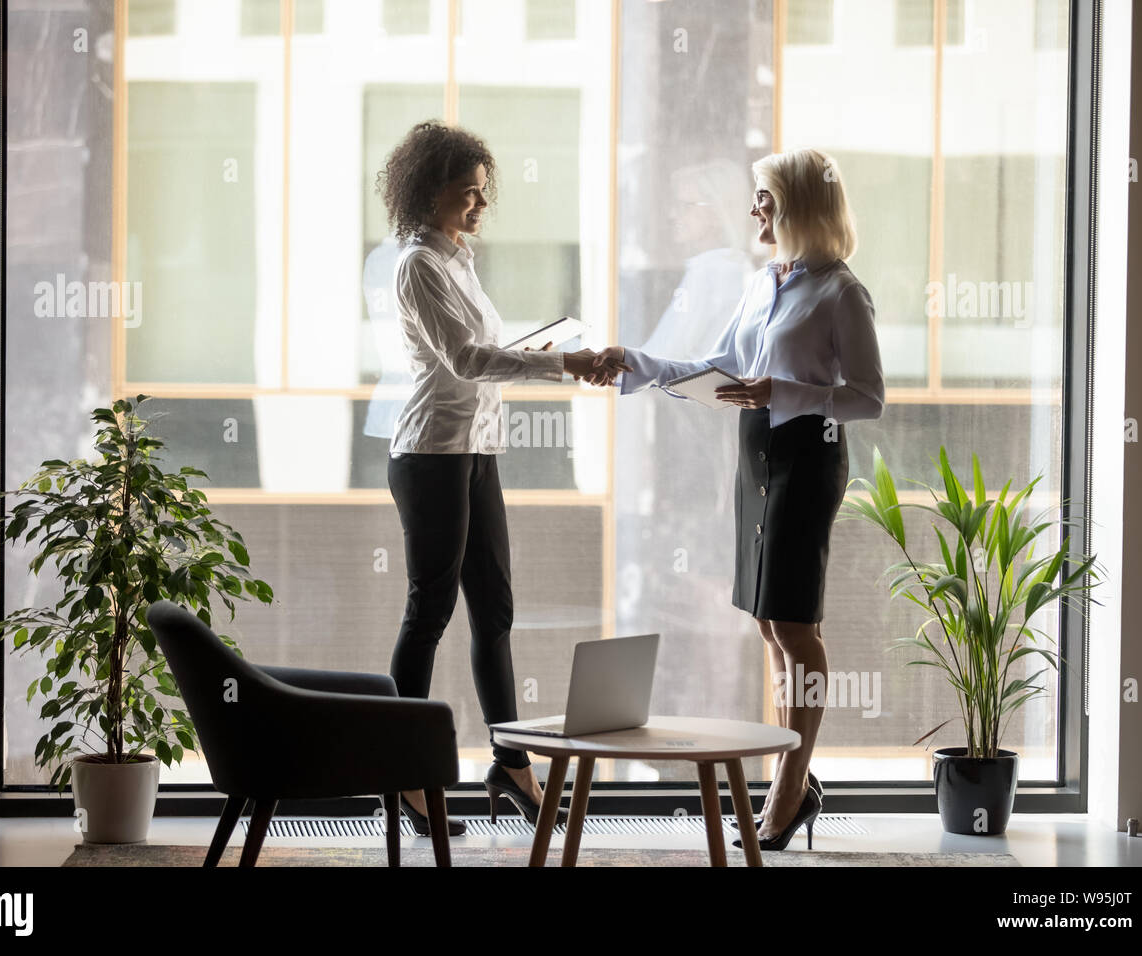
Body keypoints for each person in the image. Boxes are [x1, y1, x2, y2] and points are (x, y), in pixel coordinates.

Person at [590, 147, 885, 851]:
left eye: (766, 199)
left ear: (800, 208)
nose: (755, 210)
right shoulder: (763, 283)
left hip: (807, 457)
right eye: (756, 198)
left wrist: (781, 391)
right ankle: (796, 777)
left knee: (795, 627)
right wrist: (631, 363)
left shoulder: (842, 291)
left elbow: (868, 398)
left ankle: (791, 784)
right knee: (766, 622)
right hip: (755, 452)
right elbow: (719, 366)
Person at [376, 121, 631, 836]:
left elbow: (487, 351)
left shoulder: (459, 258)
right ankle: (404, 776)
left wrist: (555, 352)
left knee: (495, 612)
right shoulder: (417, 265)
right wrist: (564, 364)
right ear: (429, 193)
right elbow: (467, 359)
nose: (481, 206)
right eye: (469, 194)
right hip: (431, 453)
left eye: (484, 194)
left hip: (476, 448)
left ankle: (510, 760)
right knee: (430, 611)